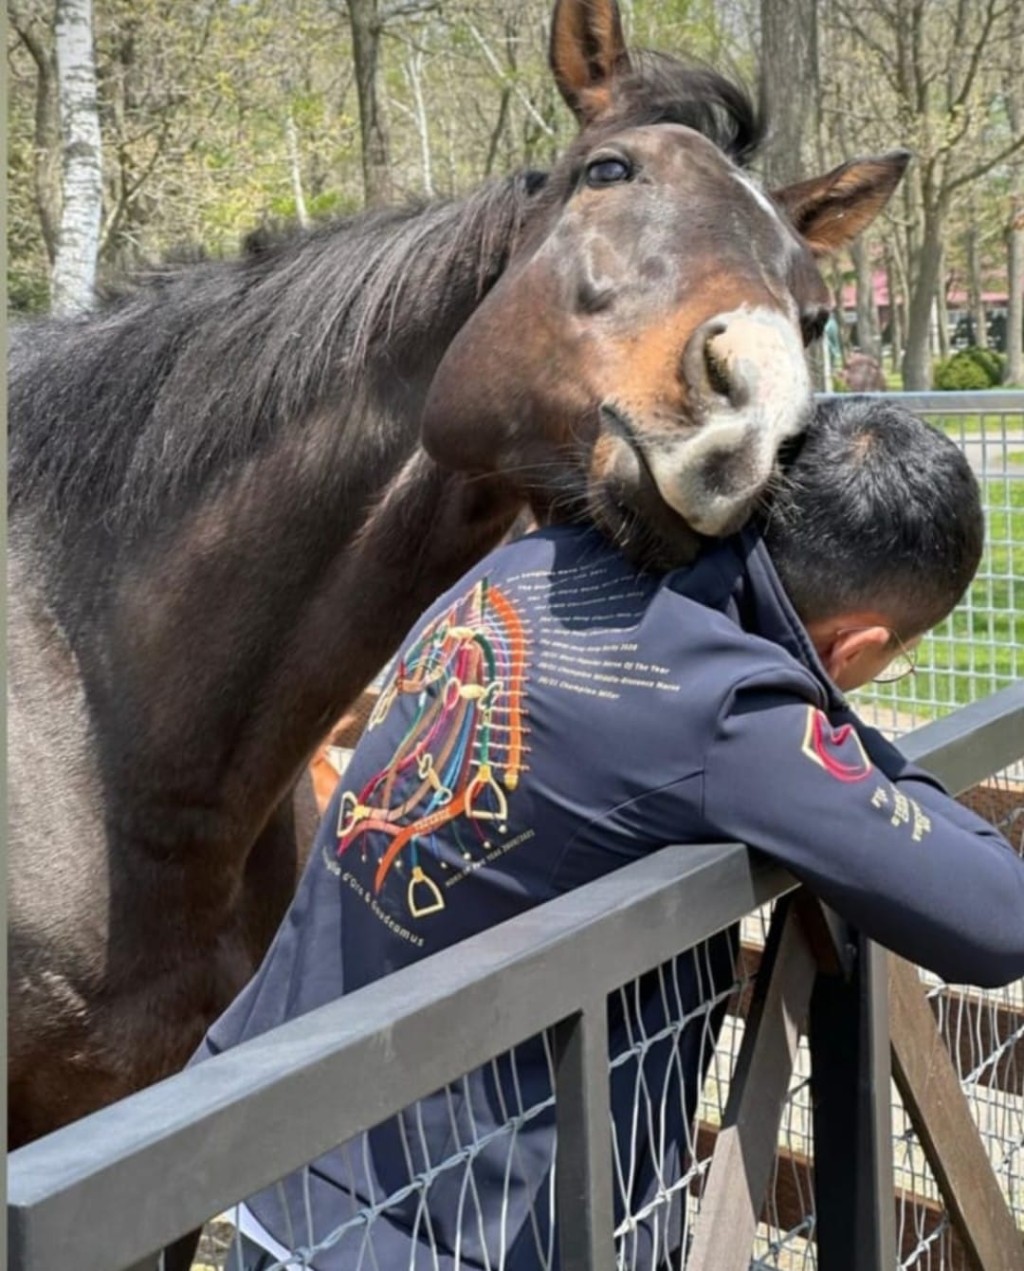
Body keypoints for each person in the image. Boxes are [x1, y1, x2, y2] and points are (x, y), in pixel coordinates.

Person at [193, 397, 1024, 1269]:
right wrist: (829, 716)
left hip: (281, 1145)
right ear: (856, 648)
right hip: (444, 1230)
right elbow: (997, 915)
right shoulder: (727, 706)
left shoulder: (539, 557)